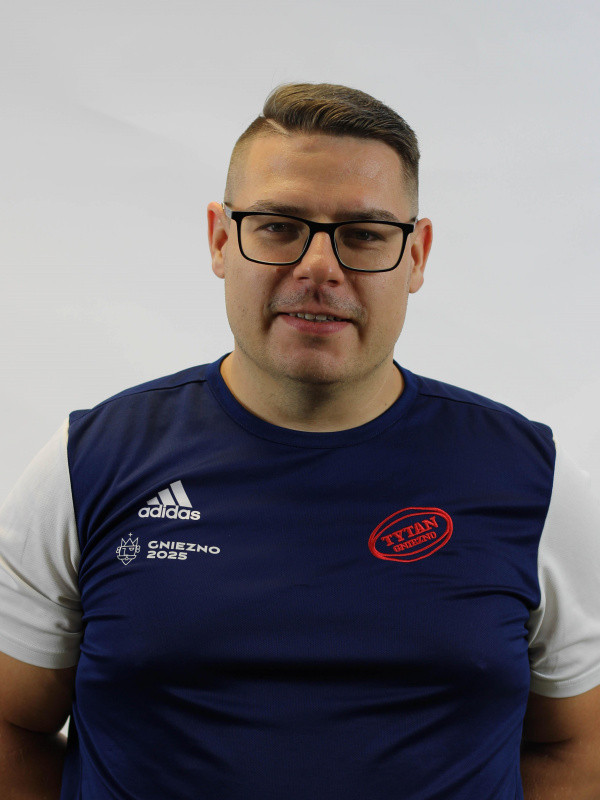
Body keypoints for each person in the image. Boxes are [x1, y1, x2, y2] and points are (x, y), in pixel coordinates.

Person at [1, 82, 599, 800]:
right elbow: (10, 724)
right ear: (221, 240)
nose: (319, 267)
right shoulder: (88, 463)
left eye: (365, 233)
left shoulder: (533, 481)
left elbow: (580, 743)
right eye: (279, 226)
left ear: (415, 255)